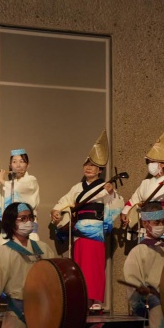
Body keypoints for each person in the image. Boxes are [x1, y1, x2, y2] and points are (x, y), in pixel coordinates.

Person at [51, 131, 123, 306]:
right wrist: (56, 211)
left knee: (95, 266)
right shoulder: (77, 188)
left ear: (100, 170)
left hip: (95, 231)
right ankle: (82, 299)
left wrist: (111, 193)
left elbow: (116, 204)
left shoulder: (105, 187)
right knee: (80, 265)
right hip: (79, 231)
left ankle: (95, 299)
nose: (88, 168)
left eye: (93, 165)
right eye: (86, 164)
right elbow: (64, 202)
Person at [121, 126, 164, 241]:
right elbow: (134, 199)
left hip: (161, 222)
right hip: (146, 222)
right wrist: (125, 212)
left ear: (163, 164)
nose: (150, 165)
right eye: (149, 162)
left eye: (153, 162)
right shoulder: (145, 183)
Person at [0, 148, 40, 243]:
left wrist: (1, 180)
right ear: (10, 165)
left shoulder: (31, 180)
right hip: (8, 232)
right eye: (14, 162)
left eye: (22, 161)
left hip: (27, 229)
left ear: (27, 165)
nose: (18, 165)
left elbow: (18, 188)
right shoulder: (6, 186)